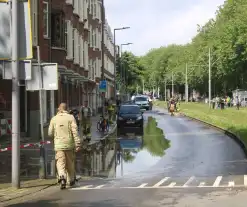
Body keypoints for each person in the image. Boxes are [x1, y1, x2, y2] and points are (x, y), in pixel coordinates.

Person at [48, 103, 81, 189]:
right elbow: (75, 131)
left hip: (58, 145)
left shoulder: (54, 119)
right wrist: (77, 144)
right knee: (70, 163)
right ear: (67, 109)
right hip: (69, 145)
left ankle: (62, 177)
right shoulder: (71, 117)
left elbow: (50, 133)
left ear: (59, 109)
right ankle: (71, 180)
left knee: (60, 163)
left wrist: (54, 140)